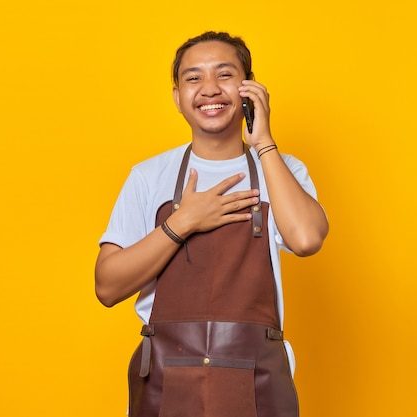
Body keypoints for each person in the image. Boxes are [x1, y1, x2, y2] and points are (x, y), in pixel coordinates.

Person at [95, 31, 329, 417]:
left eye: (224, 75)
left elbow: (305, 239)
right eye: (193, 78)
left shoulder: (283, 170)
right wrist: (181, 223)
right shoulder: (149, 176)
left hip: (258, 379)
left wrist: (264, 143)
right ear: (177, 97)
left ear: (249, 87)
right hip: (165, 380)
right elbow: (107, 287)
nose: (209, 89)